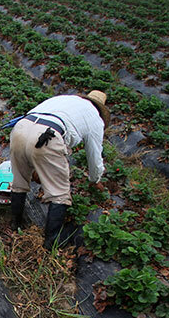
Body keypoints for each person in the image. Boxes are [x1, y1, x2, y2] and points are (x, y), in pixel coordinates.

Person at [8, 90, 110, 250]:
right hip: (47, 136)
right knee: (59, 193)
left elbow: (33, 134)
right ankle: (52, 240)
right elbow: (94, 156)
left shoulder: (65, 100)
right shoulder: (94, 118)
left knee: (19, 180)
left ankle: (15, 224)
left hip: (20, 128)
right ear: (100, 109)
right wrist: (95, 180)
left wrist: (38, 167)